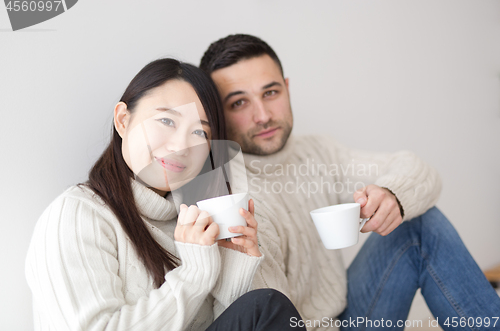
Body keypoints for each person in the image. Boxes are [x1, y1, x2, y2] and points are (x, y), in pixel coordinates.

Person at [199, 34, 500, 330]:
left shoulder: (317, 151)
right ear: (217, 115)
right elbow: (265, 314)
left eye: (270, 93)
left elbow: (419, 170)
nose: (262, 116)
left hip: (348, 317)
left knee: (419, 223)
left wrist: (392, 196)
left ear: (287, 89)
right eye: (239, 103)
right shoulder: (224, 194)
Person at [25, 58, 306, 331]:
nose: (181, 146)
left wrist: (234, 271)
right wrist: (194, 276)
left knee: (265, 304)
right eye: (167, 121)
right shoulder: (77, 215)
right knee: (265, 305)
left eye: (199, 132)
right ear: (123, 120)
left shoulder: (202, 223)